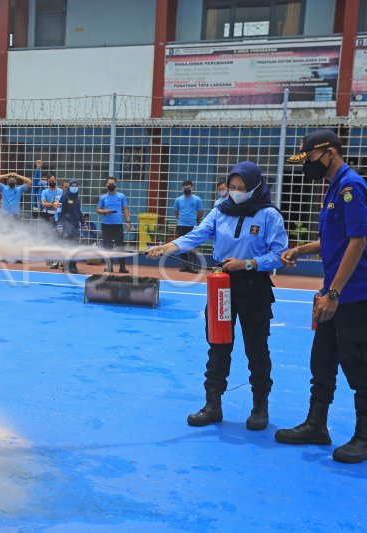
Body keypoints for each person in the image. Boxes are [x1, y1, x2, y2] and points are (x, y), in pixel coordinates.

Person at [147, 162, 288, 430]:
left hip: (254, 285)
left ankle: (260, 407)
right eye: (232, 187)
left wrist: (248, 263)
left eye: (242, 188)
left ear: (255, 187)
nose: (235, 193)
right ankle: (213, 404)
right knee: (218, 343)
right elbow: (198, 234)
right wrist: (168, 246)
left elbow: (278, 255)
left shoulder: (269, 215)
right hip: (221, 285)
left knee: (256, 347)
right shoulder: (220, 210)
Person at [275, 129, 367, 464]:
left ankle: (364, 437)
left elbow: (358, 241)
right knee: (323, 358)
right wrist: (301, 248)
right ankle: (317, 425)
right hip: (335, 292)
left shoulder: (350, 186)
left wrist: (333, 291)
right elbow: (335, 241)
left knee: (358, 366)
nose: (307, 166)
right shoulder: (333, 188)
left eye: (310, 158)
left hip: (354, 296)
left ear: (329, 153)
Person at [97, 176, 131, 273]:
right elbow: (98, 210)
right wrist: (104, 211)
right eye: (109, 183)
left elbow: (125, 209)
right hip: (106, 225)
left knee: (120, 246)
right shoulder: (103, 197)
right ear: (106, 185)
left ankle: (122, 267)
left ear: (115, 184)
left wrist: (128, 222)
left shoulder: (121, 196)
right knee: (108, 247)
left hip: (118, 225)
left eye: (113, 183)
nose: (111, 185)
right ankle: (109, 266)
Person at [173, 179, 204, 273]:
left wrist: (196, 221)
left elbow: (200, 212)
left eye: (189, 188)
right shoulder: (178, 200)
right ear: (182, 188)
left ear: (192, 188)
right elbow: (176, 213)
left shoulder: (197, 199)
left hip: (193, 226)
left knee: (193, 247)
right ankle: (185, 266)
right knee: (181, 246)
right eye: (185, 188)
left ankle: (192, 266)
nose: (187, 189)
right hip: (181, 226)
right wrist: (182, 220)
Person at [59, 179, 83, 274]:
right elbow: (60, 211)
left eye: (75, 185)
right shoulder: (64, 197)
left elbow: (78, 212)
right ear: (69, 186)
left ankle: (73, 266)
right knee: (67, 247)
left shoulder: (77, 198)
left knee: (75, 247)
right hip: (66, 226)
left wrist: (83, 222)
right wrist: (60, 224)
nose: (74, 187)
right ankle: (66, 266)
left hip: (76, 227)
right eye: (72, 185)